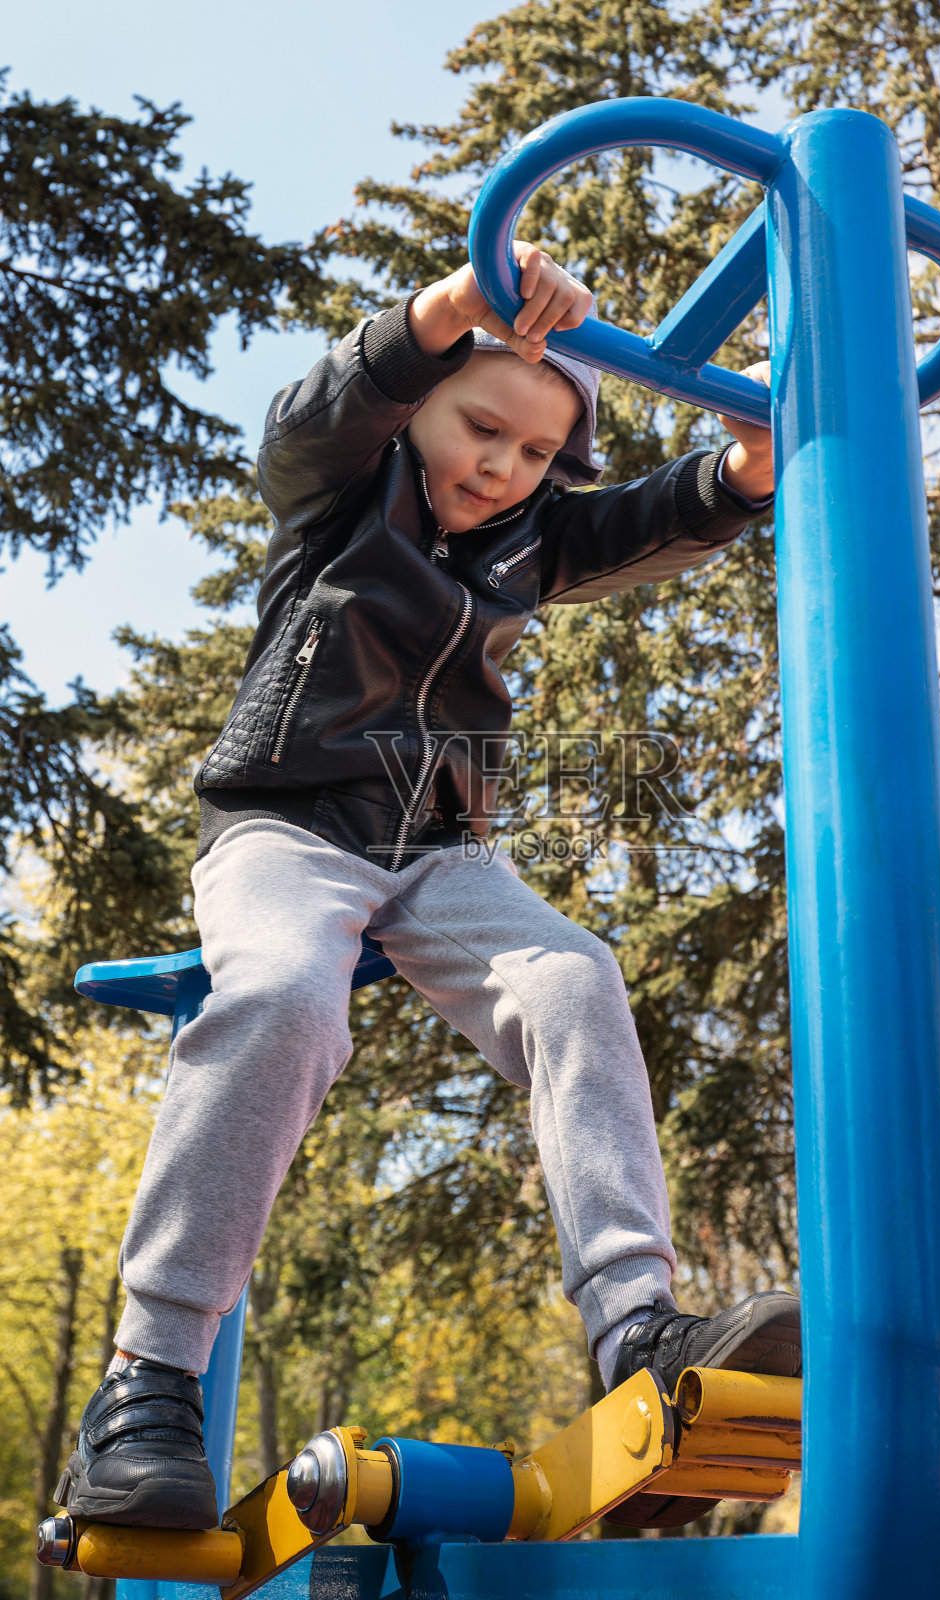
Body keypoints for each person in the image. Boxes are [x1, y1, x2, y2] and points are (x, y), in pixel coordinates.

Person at [54, 245, 799, 1532]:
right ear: (424, 403)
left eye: (529, 454)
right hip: (285, 828)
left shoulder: (529, 541)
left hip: (439, 851)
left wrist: (748, 457)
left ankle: (635, 1328)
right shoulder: (342, 494)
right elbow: (317, 412)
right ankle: (147, 1380)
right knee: (287, 996)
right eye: (479, 427)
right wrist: (465, 301)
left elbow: (660, 515)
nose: (497, 467)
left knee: (574, 976)